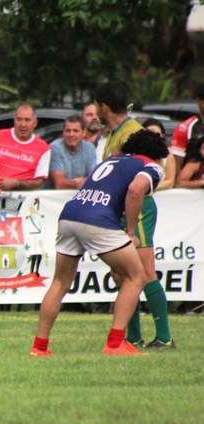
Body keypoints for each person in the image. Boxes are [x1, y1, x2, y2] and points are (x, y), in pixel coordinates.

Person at [30, 130, 169, 357]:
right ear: (157, 155)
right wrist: (131, 231)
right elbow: (135, 190)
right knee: (137, 276)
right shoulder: (152, 167)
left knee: (60, 283)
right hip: (98, 220)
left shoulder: (112, 159)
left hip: (69, 214)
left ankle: (39, 347)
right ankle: (115, 344)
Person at [95, 83, 174, 350]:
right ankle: (133, 336)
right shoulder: (115, 133)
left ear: (104, 106)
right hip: (120, 208)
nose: (95, 111)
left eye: (97, 105)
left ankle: (164, 337)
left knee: (144, 271)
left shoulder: (132, 131)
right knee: (122, 275)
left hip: (137, 208)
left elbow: (153, 168)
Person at [0, 103, 51, 194]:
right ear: (14, 120)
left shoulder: (44, 148)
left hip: (24, 200)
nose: (23, 124)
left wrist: (16, 183)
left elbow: (39, 182)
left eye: (27, 120)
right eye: (19, 119)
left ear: (35, 122)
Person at [48, 115, 97, 189]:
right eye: (68, 131)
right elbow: (59, 184)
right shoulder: (55, 147)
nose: (71, 134)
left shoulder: (90, 148)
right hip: (57, 197)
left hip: (82, 196)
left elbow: (95, 179)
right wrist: (80, 182)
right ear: (63, 132)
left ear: (84, 133)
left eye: (75, 131)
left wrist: (85, 181)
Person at [169, 83, 204, 175]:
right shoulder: (185, 128)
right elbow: (176, 165)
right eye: (203, 99)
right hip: (192, 185)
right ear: (198, 100)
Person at [142, 118, 176, 189]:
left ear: (162, 135)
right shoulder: (134, 154)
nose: (153, 137)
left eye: (157, 134)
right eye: (149, 133)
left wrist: (148, 189)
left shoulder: (168, 156)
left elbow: (170, 182)